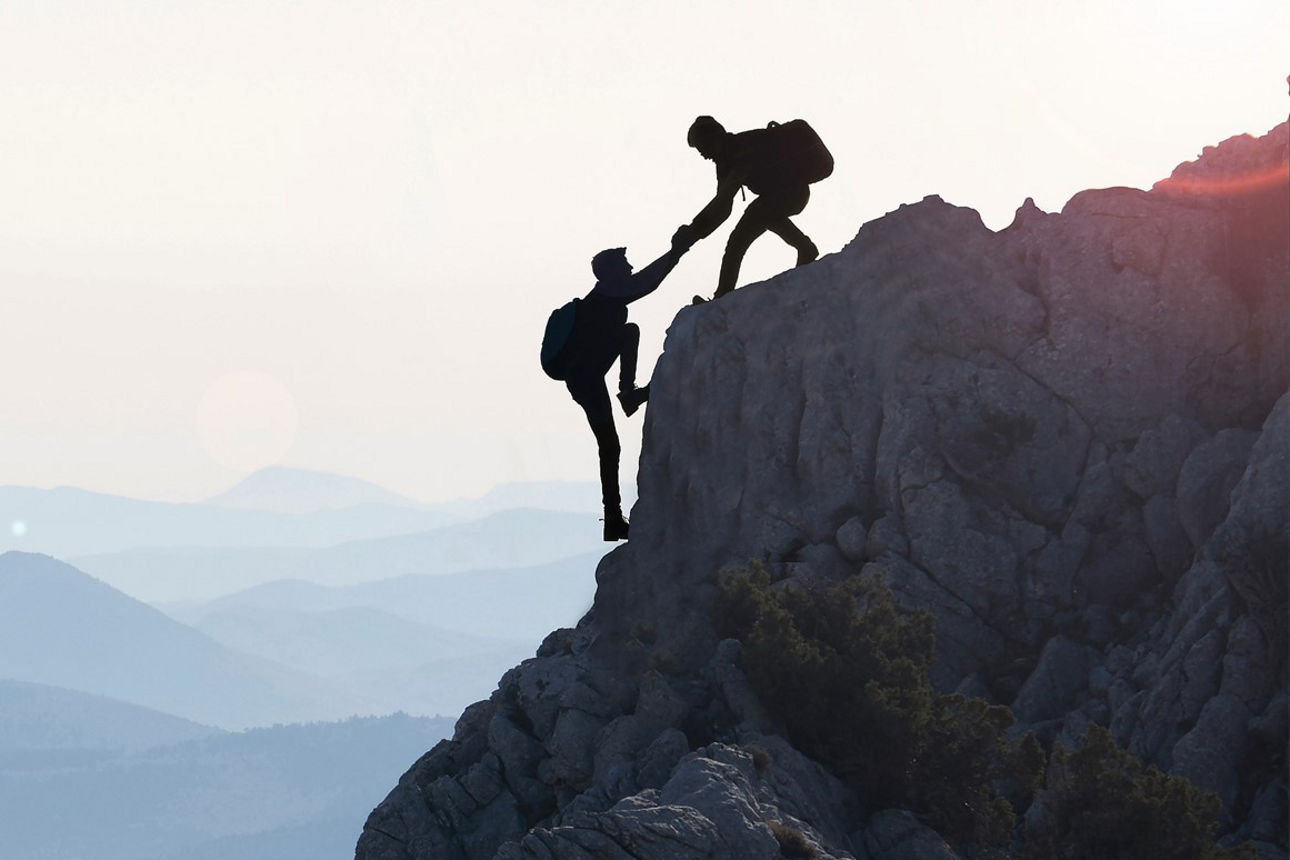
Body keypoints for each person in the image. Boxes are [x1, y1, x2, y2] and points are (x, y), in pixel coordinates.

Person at [556, 231, 690, 540]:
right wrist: (676, 251)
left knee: (629, 331)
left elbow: (640, 282)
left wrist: (676, 251)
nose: (630, 267)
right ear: (612, 273)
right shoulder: (607, 294)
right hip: (586, 381)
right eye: (625, 264)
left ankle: (627, 393)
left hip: (586, 377)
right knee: (610, 446)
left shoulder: (603, 297)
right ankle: (613, 519)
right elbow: (647, 282)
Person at [679, 115, 823, 302]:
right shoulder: (725, 162)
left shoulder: (740, 148)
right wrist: (694, 232)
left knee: (757, 217)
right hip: (775, 197)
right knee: (737, 240)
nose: (705, 156)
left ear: (714, 138)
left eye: (703, 148)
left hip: (794, 192)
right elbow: (722, 209)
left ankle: (805, 248)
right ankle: (722, 296)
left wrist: (693, 231)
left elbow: (723, 201)